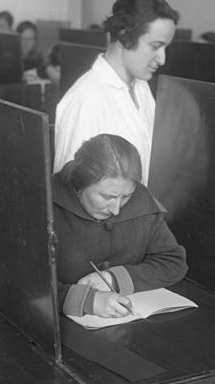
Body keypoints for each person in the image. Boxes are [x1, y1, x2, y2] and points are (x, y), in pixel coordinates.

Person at [53, 134, 188, 317]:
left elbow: (173, 263)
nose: (116, 209)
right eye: (107, 197)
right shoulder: (47, 205)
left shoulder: (142, 204)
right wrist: (86, 300)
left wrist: (115, 278)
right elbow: (25, 282)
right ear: (80, 184)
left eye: (126, 197)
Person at [54, 0, 179, 185]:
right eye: (155, 46)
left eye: (165, 48)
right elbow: (70, 190)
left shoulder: (141, 87)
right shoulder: (86, 99)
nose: (162, 59)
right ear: (124, 36)